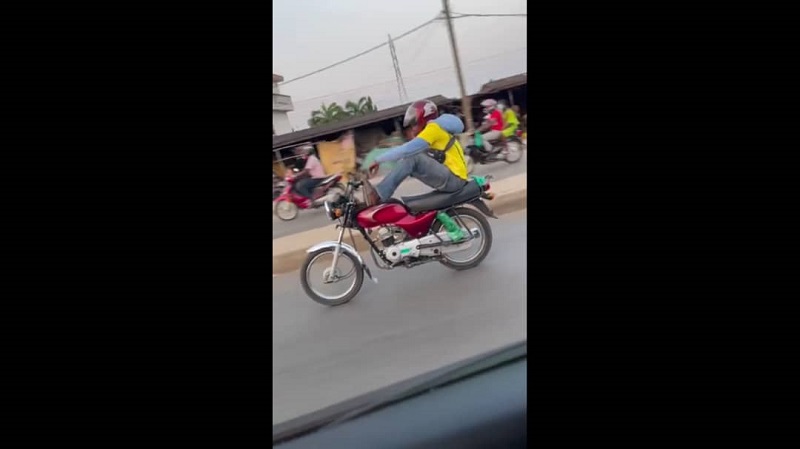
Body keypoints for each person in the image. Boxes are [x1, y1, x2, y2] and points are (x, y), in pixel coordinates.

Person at [365, 100, 469, 204]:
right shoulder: (437, 130)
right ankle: (383, 194)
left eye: (414, 124)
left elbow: (406, 149)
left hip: (454, 180)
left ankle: (379, 195)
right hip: (453, 177)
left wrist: (378, 160)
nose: (413, 129)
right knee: (409, 159)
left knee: (412, 157)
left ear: (423, 120)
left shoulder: (433, 129)